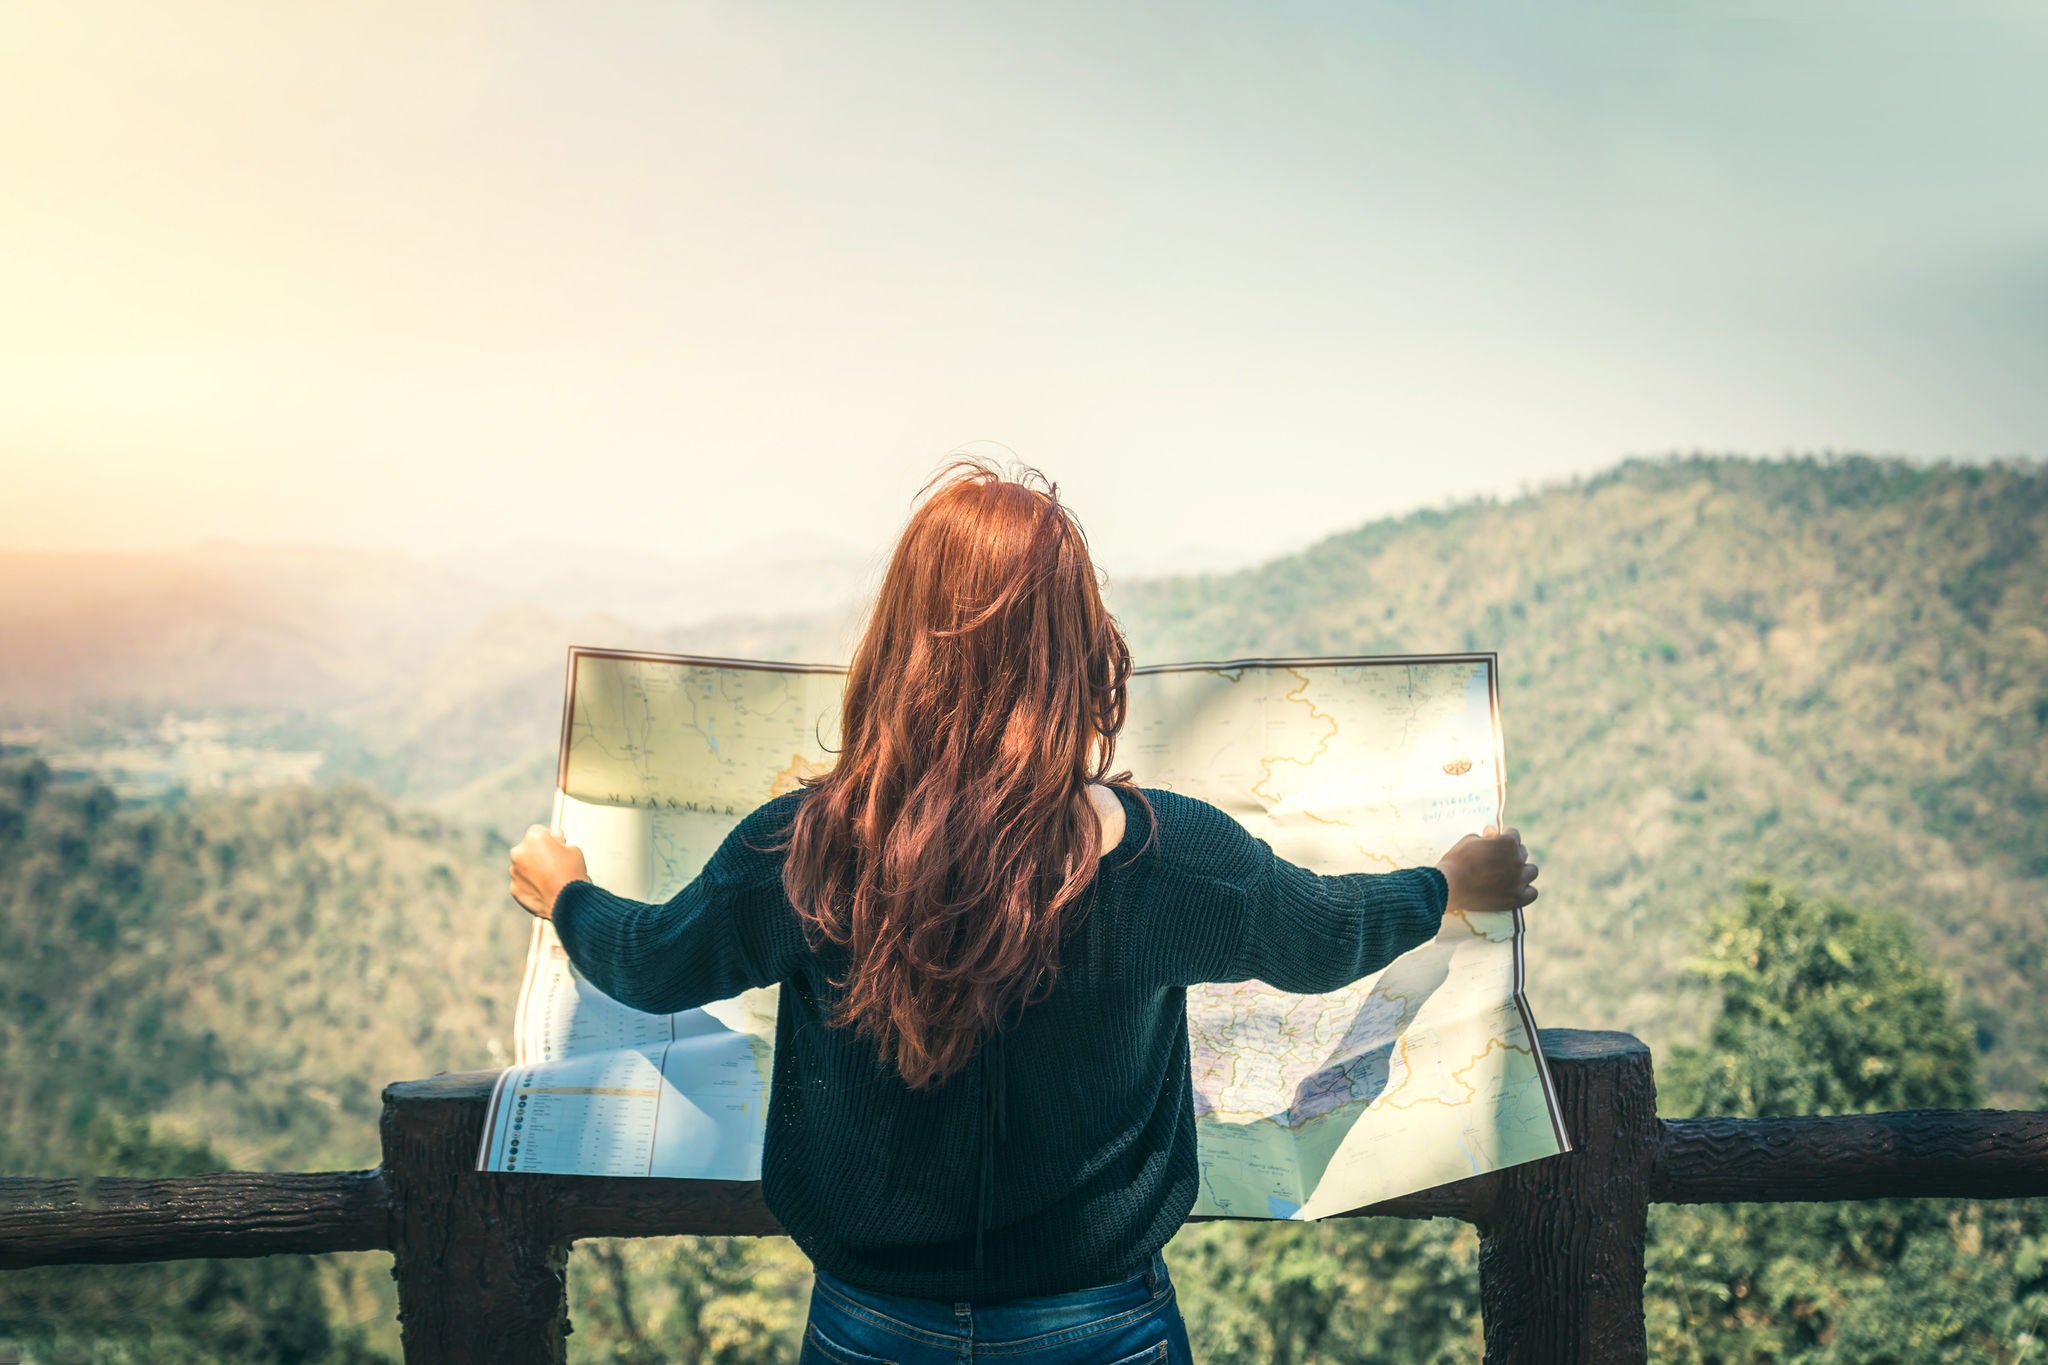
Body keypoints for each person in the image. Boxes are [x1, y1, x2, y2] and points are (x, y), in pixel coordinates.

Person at [508, 461, 1538, 1364]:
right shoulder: (1168, 854)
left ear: (898, 641)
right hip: (1099, 1325)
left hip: (869, 1324)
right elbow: (1320, 937)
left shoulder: (804, 847)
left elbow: (649, 965)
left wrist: (565, 892)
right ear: (1075, 646)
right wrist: (1447, 887)